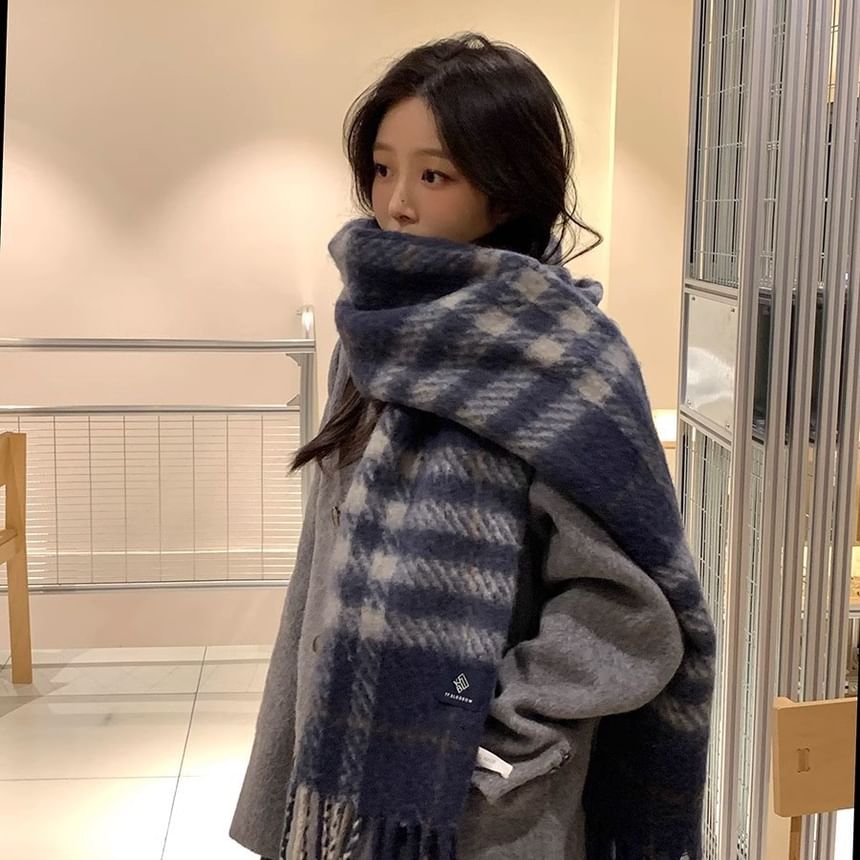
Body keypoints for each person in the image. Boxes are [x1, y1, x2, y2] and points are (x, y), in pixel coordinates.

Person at [230, 32, 715, 860]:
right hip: (341, 774)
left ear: (506, 192)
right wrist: (288, 752)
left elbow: (634, 610)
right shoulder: (370, 336)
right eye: (382, 168)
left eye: (434, 175)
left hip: (486, 809)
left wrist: (494, 734)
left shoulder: (567, 361)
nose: (396, 204)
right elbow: (324, 563)